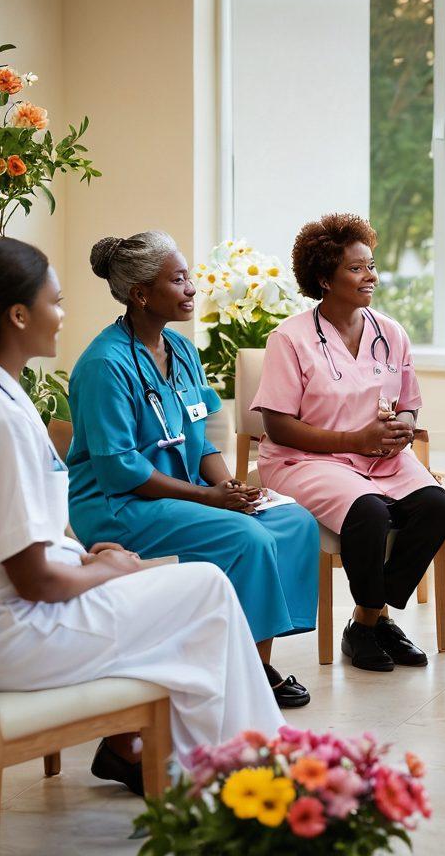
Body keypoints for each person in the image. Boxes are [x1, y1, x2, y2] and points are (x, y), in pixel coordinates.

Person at [0, 238, 284, 796]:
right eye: (54, 302)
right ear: (17, 315)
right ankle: (242, 777)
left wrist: (85, 557)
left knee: (192, 596)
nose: (63, 315)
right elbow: (35, 580)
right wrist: (113, 570)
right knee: (205, 592)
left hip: (0, 617)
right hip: (12, 636)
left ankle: (161, 753)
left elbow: (1, 545)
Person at [67, 232, 318, 709]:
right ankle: (238, 671)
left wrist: (230, 487)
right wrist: (209, 498)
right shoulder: (104, 365)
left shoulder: (181, 351)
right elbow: (119, 469)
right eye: (178, 280)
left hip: (185, 492)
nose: (191, 289)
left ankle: (255, 666)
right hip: (119, 505)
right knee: (248, 538)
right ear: (141, 294)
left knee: (292, 521)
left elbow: (199, 437)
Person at [252, 213, 445, 673]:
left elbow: (408, 402)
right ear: (324, 278)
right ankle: (373, 624)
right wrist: (356, 439)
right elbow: (279, 427)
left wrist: (401, 426)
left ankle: (367, 622)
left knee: (436, 508)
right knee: (370, 514)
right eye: (357, 268)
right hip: (304, 459)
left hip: (377, 456)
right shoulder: (290, 338)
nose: (371, 277)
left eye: (372, 265)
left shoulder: (390, 332)